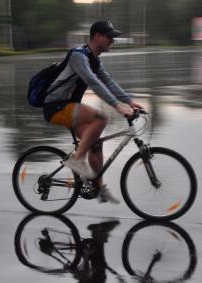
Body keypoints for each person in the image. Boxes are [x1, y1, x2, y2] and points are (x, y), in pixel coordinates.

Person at [42, 20, 143, 204]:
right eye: (109, 37)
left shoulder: (94, 60)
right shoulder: (78, 56)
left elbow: (108, 82)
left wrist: (129, 101)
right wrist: (117, 106)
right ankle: (77, 160)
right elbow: (94, 82)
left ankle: (99, 187)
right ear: (97, 36)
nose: (112, 40)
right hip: (56, 106)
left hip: (70, 107)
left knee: (95, 145)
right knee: (101, 118)